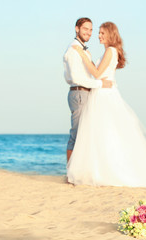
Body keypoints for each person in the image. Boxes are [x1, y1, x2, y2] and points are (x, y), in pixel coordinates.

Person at [66, 22, 146, 188]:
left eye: (102, 33)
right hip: (101, 92)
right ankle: (97, 169)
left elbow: (96, 73)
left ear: (110, 34)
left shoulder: (110, 51)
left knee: (106, 132)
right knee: (101, 133)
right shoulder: (109, 51)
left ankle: (107, 170)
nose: (99, 36)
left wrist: (81, 54)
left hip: (104, 95)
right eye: (99, 33)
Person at [63, 18, 113, 162]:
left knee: (84, 134)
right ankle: (70, 173)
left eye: (91, 30)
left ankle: (78, 171)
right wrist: (100, 84)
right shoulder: (74, 50)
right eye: (85, 29)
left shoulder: (81, 49)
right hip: (79, 93)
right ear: (76, 29)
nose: (89, 33)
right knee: (77, 134)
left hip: (83, 92)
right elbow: (76, 78)